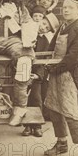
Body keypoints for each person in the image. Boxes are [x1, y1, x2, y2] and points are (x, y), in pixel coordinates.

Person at [43, 0, 78, 156]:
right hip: (56, 71)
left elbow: (73, 58)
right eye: (64, 7)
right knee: (54, 108)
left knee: (70, 111)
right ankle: (61, 143)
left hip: (69, 74)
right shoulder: (63, 26)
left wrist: (53, 68)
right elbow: (51, 48)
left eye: (70, 7)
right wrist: (44, 62)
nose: (66, 10)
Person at [23, 8, 59, 137]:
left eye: (47, 27)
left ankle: (37, 125)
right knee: (23, 98)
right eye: (43, 23)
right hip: (23, 71)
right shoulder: (27, 34)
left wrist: (38, 74)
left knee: (36, 98)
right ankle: (26, 125)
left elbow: (44, 60)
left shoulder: (45, 41)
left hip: (38, 74)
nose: (43, 27)